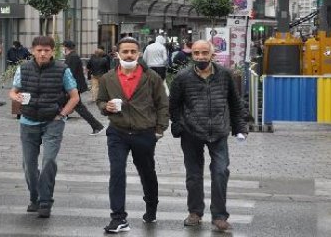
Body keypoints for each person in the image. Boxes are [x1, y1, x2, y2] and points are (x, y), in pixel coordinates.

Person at [168, 40, 248, 232]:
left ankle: (219, 216)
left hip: (219, 131)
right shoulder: (182, 77)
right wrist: (178, 125)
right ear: (192, 55)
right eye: (196, 53)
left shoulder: (225, 74)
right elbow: (174, 104)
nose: (200, 57)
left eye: (204, 53)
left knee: (220, 172)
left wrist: (240, 127)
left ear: (212, 54)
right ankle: (195, 212)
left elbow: (235, 103)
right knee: (193, 175)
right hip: (191, 131)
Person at [96, 37, 169, 233]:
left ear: (139, 53)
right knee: (117, 172)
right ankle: (118, 218)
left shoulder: (151, 77)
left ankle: (151, 206)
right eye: (125, 51)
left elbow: (162, 103)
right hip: (117, 132)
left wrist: (160, 129)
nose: (129, 55)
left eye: (133, 51)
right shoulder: (107, 78)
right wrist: (106, 107)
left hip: (144, 133)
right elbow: (101, 101)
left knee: (147, 172)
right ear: (117, 54)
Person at [8, 36, 80, 218]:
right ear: (32, 50)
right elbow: (13, 90)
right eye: (39, 50)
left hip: (52, 122)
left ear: (52, 51)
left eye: (46, 50)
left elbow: (74, 96)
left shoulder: (62, 70)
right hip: (28, 121)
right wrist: (14, 97)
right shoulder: (23, 69)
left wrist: (62, 115)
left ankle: (46, 200)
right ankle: (35, 197)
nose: (42, 53)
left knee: (48, 161)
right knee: (29, 165)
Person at [63, 40, 105, 135]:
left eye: (63, 47)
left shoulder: (73, 57)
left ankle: (97, 126)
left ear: (66, 47)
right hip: (73, 87)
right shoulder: (72, 56)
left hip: (73, 87)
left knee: (79, 108)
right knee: (74, 106)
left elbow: (70, 73)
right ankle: (96, 126)